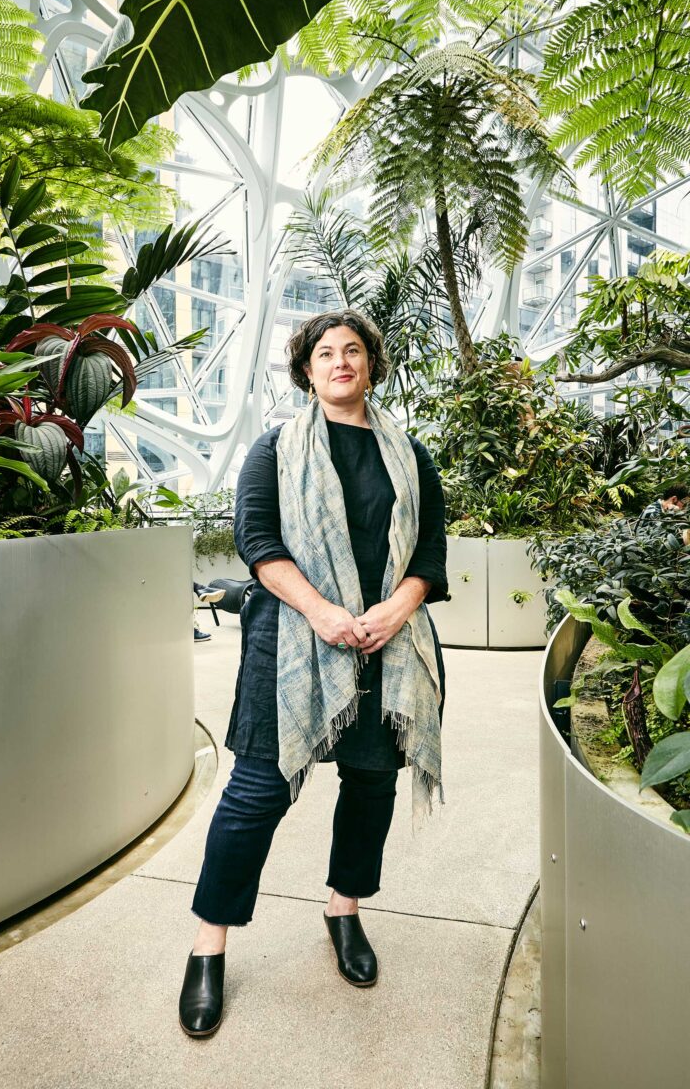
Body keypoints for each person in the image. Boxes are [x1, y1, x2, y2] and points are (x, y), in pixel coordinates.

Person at [178, 309, 449, 1038]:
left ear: (370, 366)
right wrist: (325, 614)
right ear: (306, 371)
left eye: (352, 351)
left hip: (388, 650)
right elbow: (258, 541)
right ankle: (209, 943)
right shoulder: (274, 450)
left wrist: (394, 612)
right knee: (256, 794)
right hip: (293, 644)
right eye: (324, 353)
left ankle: (345, 910)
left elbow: (430, 555)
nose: (339, 362)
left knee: (369, 786)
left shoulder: (410, 456)